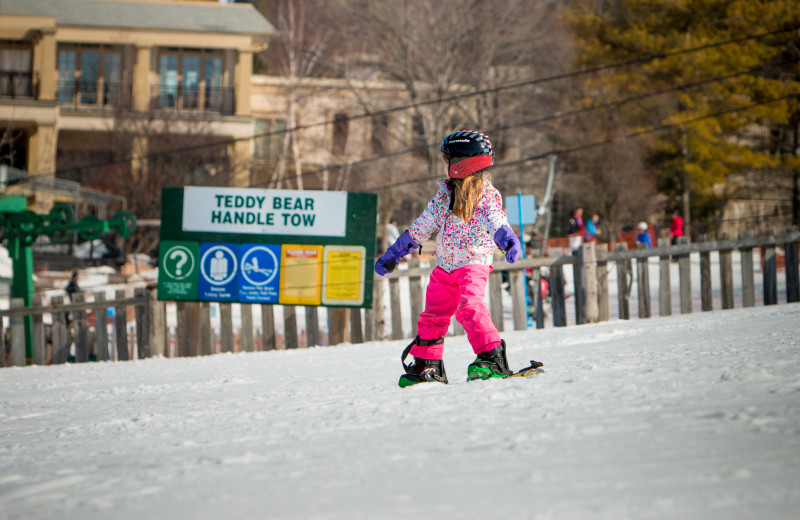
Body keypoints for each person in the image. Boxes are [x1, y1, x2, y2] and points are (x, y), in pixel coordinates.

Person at [374, 130, 522, 387]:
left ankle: (491, 357)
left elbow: (494, 218)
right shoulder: (444, 196)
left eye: (448, 159)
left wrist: (505, 237)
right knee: (433, 314)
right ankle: (427, 365)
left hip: (473, 263)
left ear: (463, 162)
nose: (445, 165)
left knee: (470, 307)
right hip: (445, 266)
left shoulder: (485, 196)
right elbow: (421, 226)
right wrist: (395, 252)